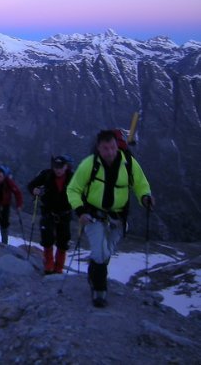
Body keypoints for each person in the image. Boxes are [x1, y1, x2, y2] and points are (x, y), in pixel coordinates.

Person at [67, 130, 154, 308]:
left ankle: (93, 273)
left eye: (113, 147)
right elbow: (73, 189)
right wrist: (81, 211)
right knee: (100, 253)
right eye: (105, 148)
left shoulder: (129, 163)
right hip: (93, 216)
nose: (110, 152)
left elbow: (140, 184)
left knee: (105, 254)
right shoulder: (89, 164)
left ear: (117, 146)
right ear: (98, 148)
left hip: (118, 219)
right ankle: (99, 291)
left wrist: (145, 197)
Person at [27, 155, 73, 274]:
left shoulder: (73, 177)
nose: (58, 169)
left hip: (65, 213)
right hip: (48, 211)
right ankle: (49, 266)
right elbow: (31, 185)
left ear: (66, 166)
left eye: (60, 167)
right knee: (47, 239)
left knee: (63, 241)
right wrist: (34, 190)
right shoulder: (46, 174)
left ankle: (58, 268)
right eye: (55, 167)